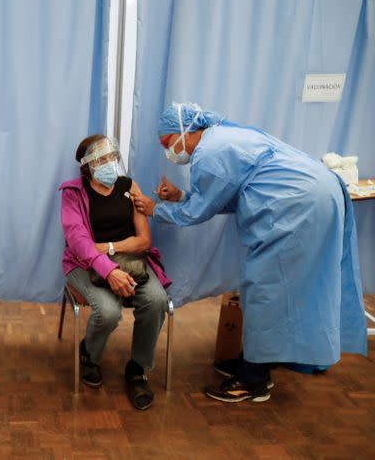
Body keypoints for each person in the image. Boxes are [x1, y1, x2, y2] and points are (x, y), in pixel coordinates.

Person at [131, 102, 367, 403]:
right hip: (311, 196)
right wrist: (180, 197)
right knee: (290, 289)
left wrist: (156, 209)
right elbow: (225, 197)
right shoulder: (223, 137)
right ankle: (260, 360)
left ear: (186, 132)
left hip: (299, 205)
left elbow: (198, 212)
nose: (169, 152)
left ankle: (253, 379)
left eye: (167, 143)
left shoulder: (210, 152)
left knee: (265, 289)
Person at [60, 135, 170, 410]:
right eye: (100, 159)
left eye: (112, 156)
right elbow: (79, 243)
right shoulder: (73, 193)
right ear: (87, 165)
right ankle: (89, 355)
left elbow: (144, 240)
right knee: (108, 312)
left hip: (132, 262)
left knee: (156, 302)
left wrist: (107, 247)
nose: (109, 163)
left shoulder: (129, 186)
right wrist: (109, 270)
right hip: (84, 265)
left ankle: (137, 368)